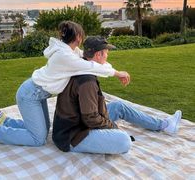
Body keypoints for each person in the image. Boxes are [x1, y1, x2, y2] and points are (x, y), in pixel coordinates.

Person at [0, 21, 130, 146]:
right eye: (82, 35)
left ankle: (6, 121)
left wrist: (115, 71)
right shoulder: (65, 56)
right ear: (78, 37)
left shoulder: (71, 52)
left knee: (43, 129)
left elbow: (95, 63)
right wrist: (118, 74)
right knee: (38, 139)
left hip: (35, 93)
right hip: (30, 95)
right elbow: (91, 66)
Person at [52, 36, 182, 154]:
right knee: (124, 141)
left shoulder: (82, 65)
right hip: (73, 135)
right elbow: (90, 118)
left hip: (79, 122)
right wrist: (112, 126)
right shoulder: (87, 81)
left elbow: (89, 111)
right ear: (98, 55)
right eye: (106, 53)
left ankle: (164, 125)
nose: (107, 56)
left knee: (118, 106)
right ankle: (113, 134)